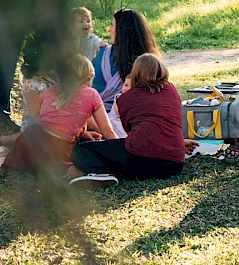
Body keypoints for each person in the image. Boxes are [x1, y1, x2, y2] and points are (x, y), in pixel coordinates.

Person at [70, 53, 197, 188]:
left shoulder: (125, 98)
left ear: (135, 73)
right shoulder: (171, 90)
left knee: (81, 150)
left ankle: (103, 173)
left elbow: (131, 133)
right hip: (174, 164)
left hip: (141, 159)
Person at [0, 54, 117, 174]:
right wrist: (120, 150)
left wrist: (82, 133)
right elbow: (108, 131)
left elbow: (54, 120)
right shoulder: (92, 94)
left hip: (28, 142)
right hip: (56, 151)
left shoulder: (50, 90)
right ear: (90, 77)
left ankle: (4, 151)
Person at [0, 36, 55, 169]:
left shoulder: (54, 76)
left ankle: (5, 142)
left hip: (55, 122)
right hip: (39, 125)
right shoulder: (32, 85)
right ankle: (2, 147)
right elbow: (36, 116)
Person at [92, 8, 161, 136]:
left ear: (123, 31)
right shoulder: (103, 54)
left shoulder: (144, 63)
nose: (109, 30)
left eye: (112, 25)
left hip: (126, 117)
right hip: (94, 115)